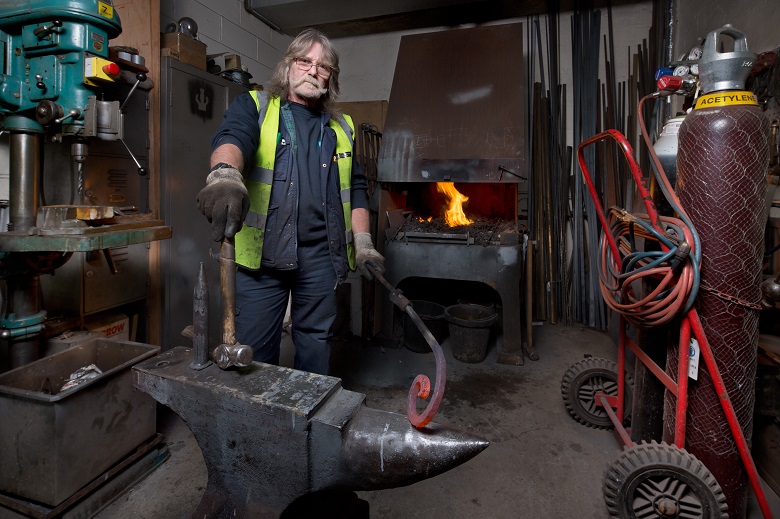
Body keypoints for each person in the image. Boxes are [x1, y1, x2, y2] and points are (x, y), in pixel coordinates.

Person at [196, 28, 384, 375]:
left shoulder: (342, 127)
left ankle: (307, 420)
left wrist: (364, 242)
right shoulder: (257, 106)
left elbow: (356, 186)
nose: (313, 71)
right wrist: (225, 174)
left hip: (320, 256)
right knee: (256, 350)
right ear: (288, 67)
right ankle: (261, 425)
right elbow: (232, 138)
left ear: (331, 78)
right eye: (305, 61)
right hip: (264, 259)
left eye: (323, 66)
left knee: (315, 342)